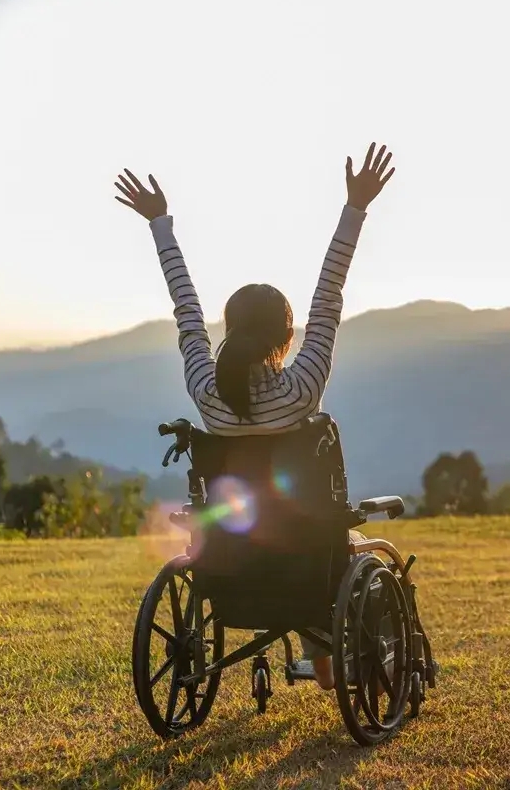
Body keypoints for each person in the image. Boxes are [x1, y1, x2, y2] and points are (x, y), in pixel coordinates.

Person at [113, 143, 396, 691]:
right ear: (287, 339)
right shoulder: (302, 388)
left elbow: (185, 308)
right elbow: (328, 297)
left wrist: (160, 223)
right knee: (339, 554)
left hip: (232, 560)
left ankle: (323, 662)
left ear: (228, 329)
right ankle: (333, 665)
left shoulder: (204, 392)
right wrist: (354, 208)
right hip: (304, 557)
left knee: (309, 548)